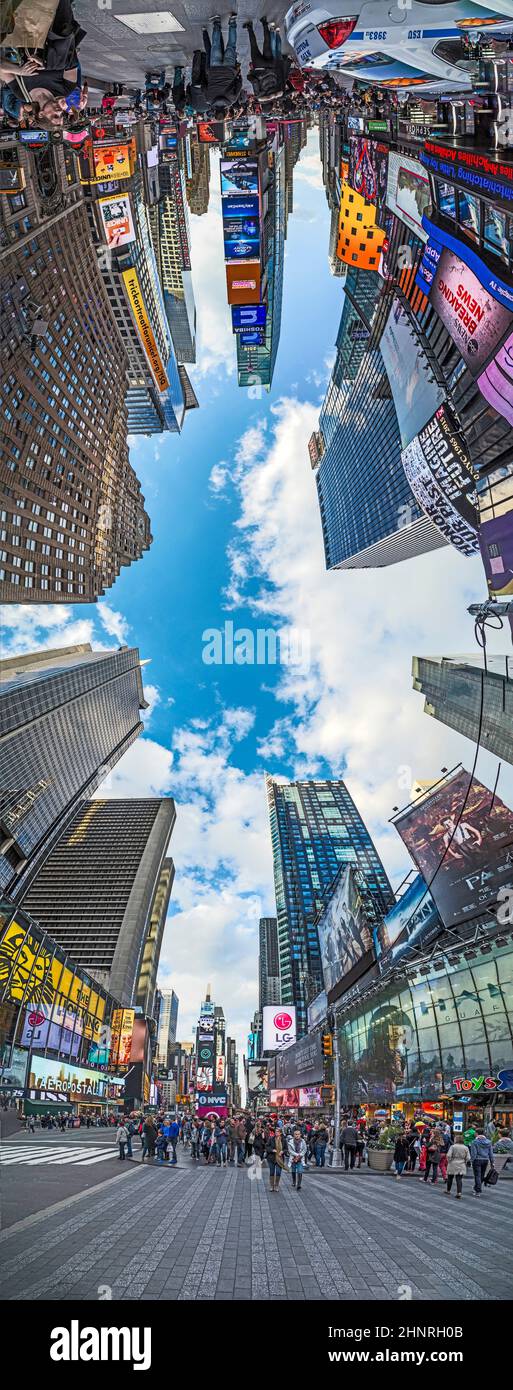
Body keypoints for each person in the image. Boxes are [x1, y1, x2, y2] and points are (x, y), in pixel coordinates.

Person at [244, 17, 291, 104]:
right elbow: (254, 81)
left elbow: (281, 76)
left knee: (267, 44)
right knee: (254, 46)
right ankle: (249, 27)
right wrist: (249, 75)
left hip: (271, 65)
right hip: (259, 67)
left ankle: (264, 23)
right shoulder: (260, 96)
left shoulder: (280, 91)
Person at [202, 15, 242, 113]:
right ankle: (217, 22)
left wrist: (237, 75)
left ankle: (232, 22)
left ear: (225, 111)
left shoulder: (232, 100)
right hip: (214, 69)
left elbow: (239, 85)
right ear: (215, 111)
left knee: (231, 45)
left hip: (229, 69)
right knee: (216, 44)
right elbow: (203, 86)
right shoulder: (209, 100)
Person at [470, 1130, 494, 1195]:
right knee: (482, 1175)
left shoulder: (474, 1142)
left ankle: (478, 1190)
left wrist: (471, 1161)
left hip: (477, 1160)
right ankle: (476, 1188)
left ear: (477, 1133)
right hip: (485, 1160)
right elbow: (491, 1153)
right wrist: (492, 1162)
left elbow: (474, 1153)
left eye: (475, 1132)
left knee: (477, 1175)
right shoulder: (489, 1142)